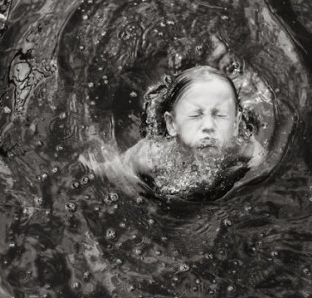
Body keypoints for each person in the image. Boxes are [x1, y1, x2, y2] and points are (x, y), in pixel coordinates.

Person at [83, 65, 265, 199]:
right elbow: (117, 168)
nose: (209, 125)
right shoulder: (153, 156)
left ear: (236, 124)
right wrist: (90, 167)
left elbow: (260, 159)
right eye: (195, 115)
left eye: (220, 115)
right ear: (171, 124)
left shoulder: (240, 148)